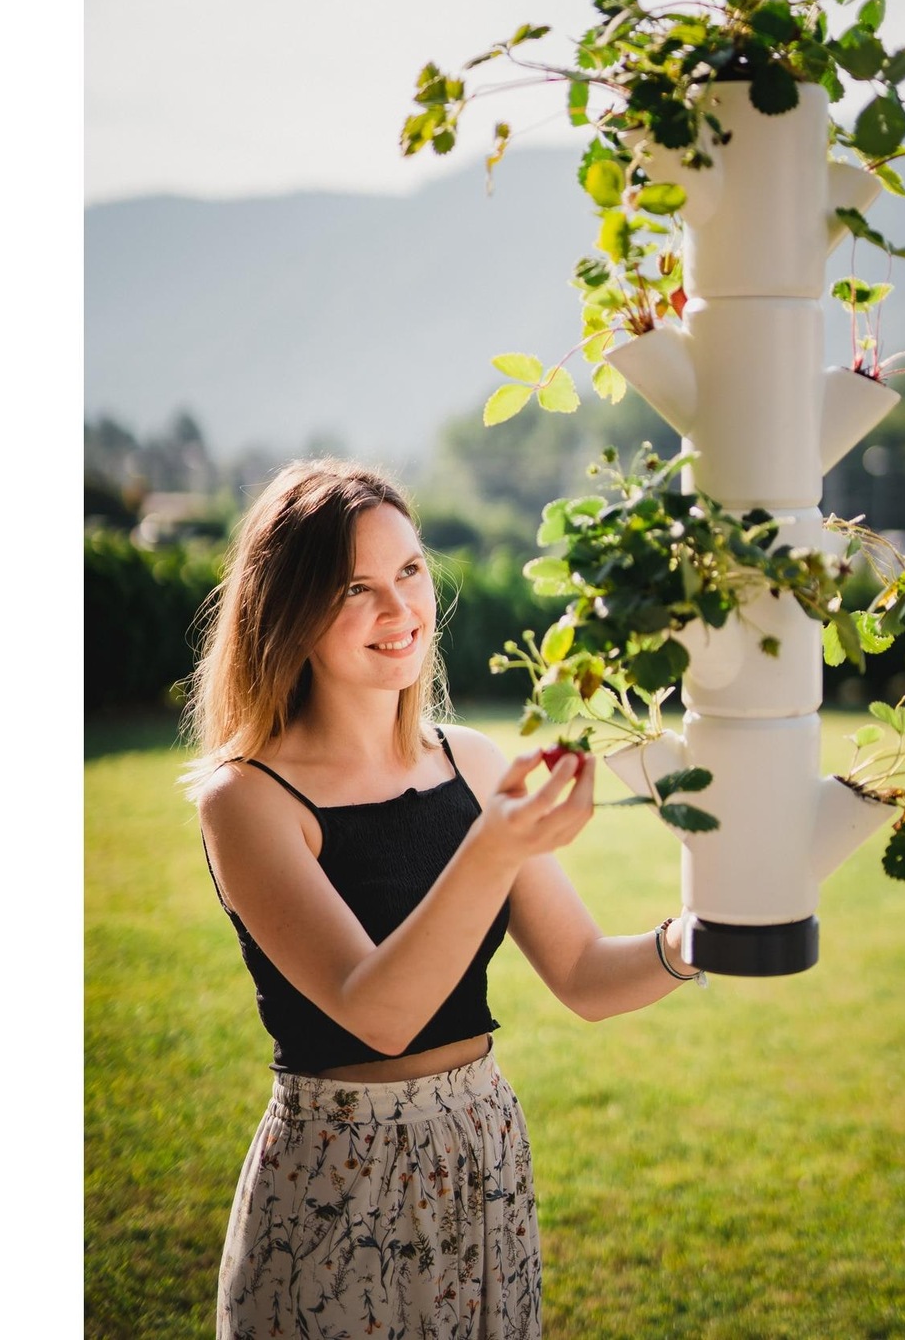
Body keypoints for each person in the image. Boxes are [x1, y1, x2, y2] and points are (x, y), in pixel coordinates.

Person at [181, 458, 705, 1340]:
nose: (400, 610)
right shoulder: (247, 800)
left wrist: (701, 938)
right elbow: (376, 1012)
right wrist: (496, 844)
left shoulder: (471, 763)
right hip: (339, 1178)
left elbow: (582, 974)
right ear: (290, 608)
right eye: (357, 587)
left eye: (410, 571)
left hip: (481, 1154)